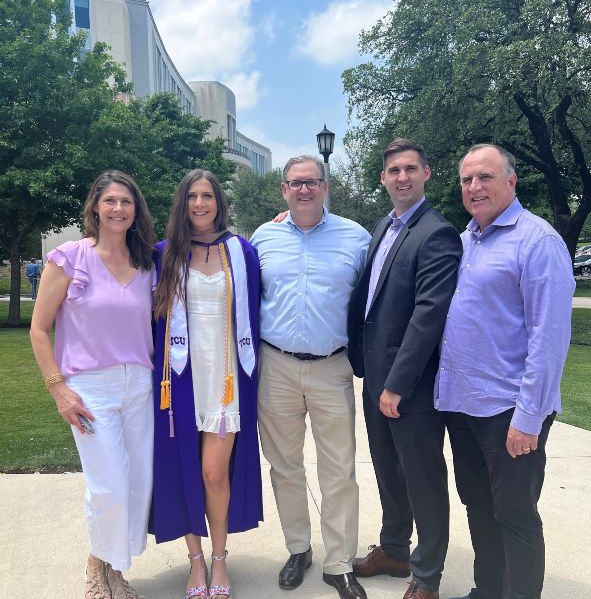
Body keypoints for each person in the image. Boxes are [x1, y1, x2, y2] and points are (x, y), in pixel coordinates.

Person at [436, 144, 575, 599]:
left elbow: (548, 338)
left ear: (511, 181)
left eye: (485, 177)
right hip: (462, 406)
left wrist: (528, 417)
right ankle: (486, 590)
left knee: (514, 514)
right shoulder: (464, 241)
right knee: (479, 508)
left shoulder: (539, 241)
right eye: (466, 180)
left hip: (510, 411)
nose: (474, 187)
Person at [30, 170, 157, 599]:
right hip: (90, 389)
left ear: (136, 210)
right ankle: (95, 568)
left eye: (126, 201)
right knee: (110, 486)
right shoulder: (69, 258)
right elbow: (38, 330)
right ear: (95, 208)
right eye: (110, 201)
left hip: (139, 384)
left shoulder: (146, 264)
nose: (119, 209)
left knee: (137, 484)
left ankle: (114, 569)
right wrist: (58, 389)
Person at [250, 155, 371, 599]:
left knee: (339, 468)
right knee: (285, 466)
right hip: (276, 365)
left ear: (325, 187)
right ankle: (298, 548)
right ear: (283, 190)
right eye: (296, 183)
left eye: (313, 182)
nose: (304, 190)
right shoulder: (263, 237)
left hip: (332, 365)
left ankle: (339, 563)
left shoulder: (356, 238)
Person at [347, 139, 462, 599]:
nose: (402, 177)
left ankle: (427, 575)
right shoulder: (384, 227)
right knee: (388, 471)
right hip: (375, 378)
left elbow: (429, 314)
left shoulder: (437, 232)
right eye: (393, 170)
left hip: (410, 386)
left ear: (427, 173)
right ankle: (394, 549)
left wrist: (396, 384)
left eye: (411, 169)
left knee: (423, 478)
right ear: (383, 178)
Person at [150, 169, 262, 599]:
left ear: (219, 202)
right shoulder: (164, 254)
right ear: (182, 203)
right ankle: (194, 561)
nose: (200, 204)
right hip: (177, 381)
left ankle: (219, 558)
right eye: (192, 197)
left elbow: (256, 311)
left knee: (214, 473)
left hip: (225, 381)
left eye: (208, 196)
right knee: (184, 471)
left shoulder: (241, 252)